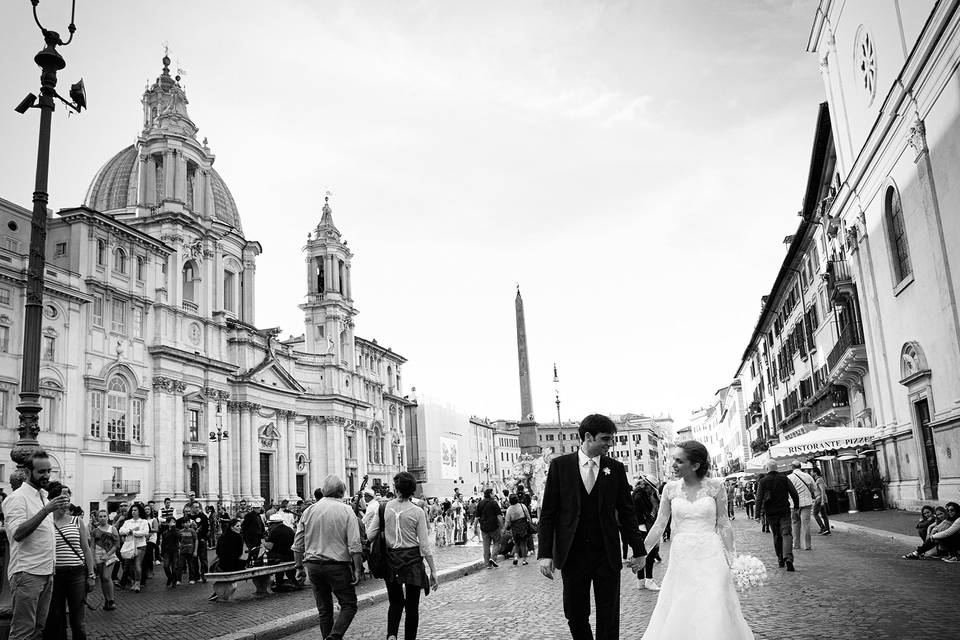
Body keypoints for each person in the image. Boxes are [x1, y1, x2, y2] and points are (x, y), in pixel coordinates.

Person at [537, 414, 646, 640]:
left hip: (606, 553)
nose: (610, 444)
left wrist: (639, 550)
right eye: (605, 439)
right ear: (588, 437)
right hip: (572, 553)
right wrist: (545, 554)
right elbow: (548, 513)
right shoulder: (560, 466)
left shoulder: (615, 468)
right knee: (575, 613)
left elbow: (627, 513)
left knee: (609, 614)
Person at [641, 441, 754, 639]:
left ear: (695, 465)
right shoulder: (670, 488)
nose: (673, 464)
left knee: (714, 598)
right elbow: (659, 524)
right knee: (682, 600)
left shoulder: (716, 486)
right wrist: (642, 552)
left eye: (679, 460)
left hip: (711, 553)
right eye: (674, 460)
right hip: (682, 555)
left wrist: (733, 558)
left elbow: (724, 523)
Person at [3, 451, 70, 640]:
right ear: (27, 471)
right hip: (27, 573)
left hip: (47, 572)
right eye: (41, 472)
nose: (47, 475)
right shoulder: (17, 498)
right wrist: (46, 510)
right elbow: (18, 534)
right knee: (23, 632)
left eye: (49, 471)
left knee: (38, 630)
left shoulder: (44, 496)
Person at [366, 471, 438, 640]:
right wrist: (433, 570)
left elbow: (370, 535)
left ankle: (392, 635)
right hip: (412, 561)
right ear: (412, 489)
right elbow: (425, 545)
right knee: (412, 607)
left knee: (395, 602)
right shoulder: (418, 511)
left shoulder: (384, 507)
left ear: (396, 488)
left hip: (391, 560)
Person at [294, 475, 364, 640]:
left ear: (324, 491)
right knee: (348, 604)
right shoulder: (346, 510)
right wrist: (358, 569)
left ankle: (328, 636)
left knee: (324, 610)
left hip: (313, 566)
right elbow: (355, 545)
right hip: (337, 565)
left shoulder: (309, 510)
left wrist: (298, 567)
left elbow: (298, 543)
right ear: (342, 491)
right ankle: (334, 636)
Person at [43, 481, 95, 640]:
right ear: (52, 501)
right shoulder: (46, 523)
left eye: (67, 501)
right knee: (57, 619)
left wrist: (91, 574)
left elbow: (86, 548)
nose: (65, 504)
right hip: (55, 574)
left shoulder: (76, 521)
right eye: (61, 500)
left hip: (76, 573)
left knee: (78, 622)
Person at [757, 459, 800, 571]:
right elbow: (794, 493)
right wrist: (796, 506)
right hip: (784, 511)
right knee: (786, 534)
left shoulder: (763, 481)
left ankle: (780, 558)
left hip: (771, 513)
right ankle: (788, 558)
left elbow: (759, 498)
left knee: (776, 535)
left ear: (767, 469)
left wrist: (757, 514)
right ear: (777, 468)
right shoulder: (784, 478)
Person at [632, 477, 661, 591]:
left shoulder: (638, 493)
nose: (652, 491)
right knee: (650, 553)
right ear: (647, 486)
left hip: (639, 527)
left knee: (641, 553)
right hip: (643, 528)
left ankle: (641, 581)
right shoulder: (640, 497)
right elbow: (646, 514)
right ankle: (649, 579)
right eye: (651, 488)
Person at [90, 509, 119, 610]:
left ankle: (111, 600)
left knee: (107, 577)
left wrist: (108, 554)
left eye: (104, 516)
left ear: (108, 517)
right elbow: (92, 546)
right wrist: (92, 559)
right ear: (97, 518)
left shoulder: (113, 529)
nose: (102, 518)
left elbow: (116, 545)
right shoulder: (94, 531)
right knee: (102, 579)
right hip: (98, 556)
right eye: (100, 516)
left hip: (110, 556)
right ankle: (107, 600)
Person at [118, 503, 150, 592]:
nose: (133, 512)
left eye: (135, 510)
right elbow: (121, 531)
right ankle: (132, 581)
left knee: (137, 564)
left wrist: (134, 533)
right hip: (129, 545)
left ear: (139, 511)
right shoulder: (127, 522)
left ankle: (137, 583)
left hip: (140, 545)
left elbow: (145, 532)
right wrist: (130, 531)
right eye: (132, 510)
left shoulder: (143, 521)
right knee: (130, 565)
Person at [264, 513, 298, 591]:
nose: (269, 526)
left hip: (280, 557)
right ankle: (292, 581)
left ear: (274, 523)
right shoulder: (289, 529)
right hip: (291, 555)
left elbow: (269, 547)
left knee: (268, 557)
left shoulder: (274, 531)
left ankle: (278, 582)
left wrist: (265, 543)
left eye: (270, 524)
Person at [788, 461, 816, 551]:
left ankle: (796, 544)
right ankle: (807, 545)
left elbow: (787, 491)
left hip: (794, 504)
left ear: (792, 467)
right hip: (806, 503)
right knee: (806, 524)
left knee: (795, 523)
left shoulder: (789, 478)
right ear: (800, 466)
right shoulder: (807, 476)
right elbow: (814, 488)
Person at [475, 488, 503, 568]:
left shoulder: (480, 503)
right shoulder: (494, 503)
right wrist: (502, 527)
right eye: (493, 493)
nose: (494, 494)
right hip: (494, 527)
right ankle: (493, 558)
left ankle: (487, 564)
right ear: (490, 494)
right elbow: (499, 516)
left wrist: (474, 528)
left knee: (486, 546)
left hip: (484, 528)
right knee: (497, 543)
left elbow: (477, 517)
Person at [504, 494, 533, 566]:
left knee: (516, 544)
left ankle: (516, 557)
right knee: (523, 544)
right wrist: (530, 522)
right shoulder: (522, 506)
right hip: (523, 526)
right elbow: (528, 516)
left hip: (514, 528)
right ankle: (524, 560)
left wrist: (504, 529)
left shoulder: (509, 509)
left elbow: (507, 521)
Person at [159, 516, 182, 587]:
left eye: (174, 522)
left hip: (175, 551)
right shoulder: (165, 532)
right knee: (166, 566)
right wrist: (162, 553)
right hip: (167, 551)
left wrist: (173, 529)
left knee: (175, 567)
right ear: (167, 523)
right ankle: (170, 578)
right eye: (171, 522)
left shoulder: (177, 531)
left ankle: (174, 581)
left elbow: (179, 537)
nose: (173, 523)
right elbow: (163, 543)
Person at [810, 468, 831, 535]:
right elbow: (825, 486)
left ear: (815, 472)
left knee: (815, 513)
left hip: (819, 498)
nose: (811, 472)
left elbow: (823, 490)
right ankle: (827, 530)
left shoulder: (819, 479)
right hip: (819, 498)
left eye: (812, 471)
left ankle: (823, 528)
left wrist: (822, 500)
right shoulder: (819, 479)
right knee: (824, 515)